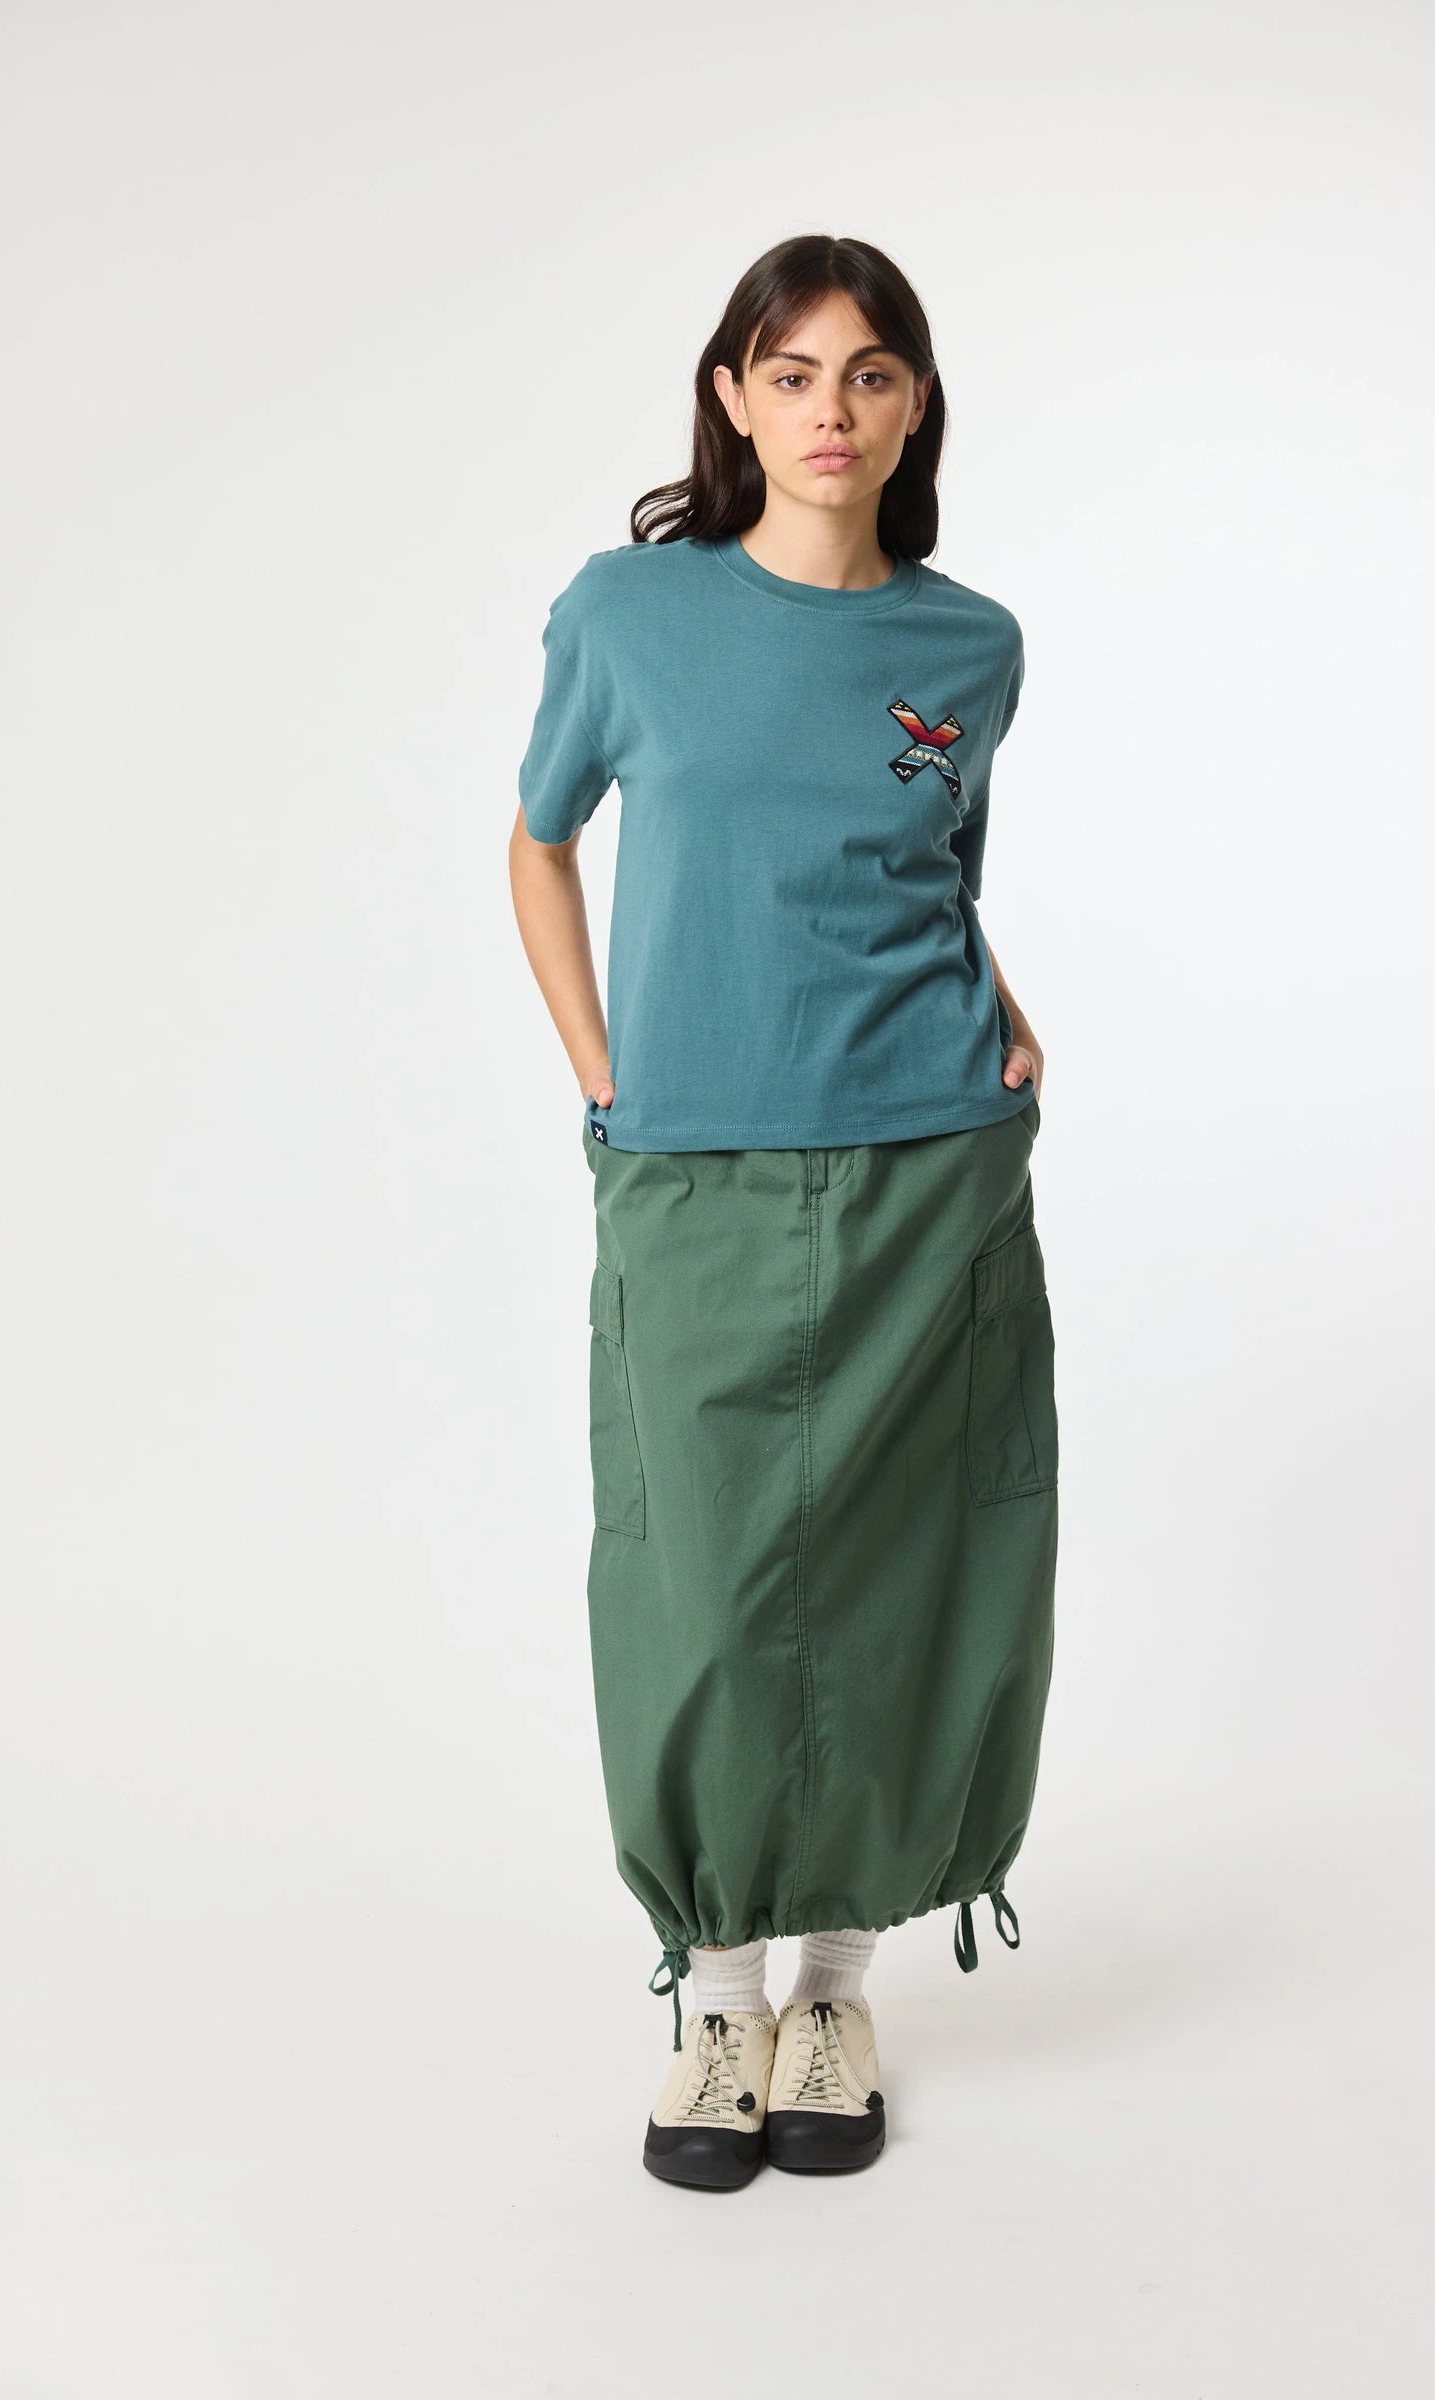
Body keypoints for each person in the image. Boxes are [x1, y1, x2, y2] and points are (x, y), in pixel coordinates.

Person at [507, 233, 1059, 2190]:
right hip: (695, 1163)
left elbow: (925, 869)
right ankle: (718, 1998)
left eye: (870, 372)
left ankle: (835, 1990)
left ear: (913, 409)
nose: (833, 408)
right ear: (734, 399)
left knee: (906, 1564)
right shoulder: (630, 615)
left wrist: (1002, 1014)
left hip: (931, 1163)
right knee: (705, 1575)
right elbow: (538, 842)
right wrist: (606, 1075)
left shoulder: (966, 649)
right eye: (795, 370)